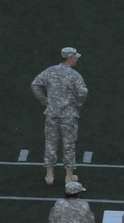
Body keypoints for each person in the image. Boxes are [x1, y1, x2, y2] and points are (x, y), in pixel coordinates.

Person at [31, 47, 89, 185]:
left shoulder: (50, 71)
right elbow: (83, 92)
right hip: (68, 115)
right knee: (68, 144)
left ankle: (49, 174)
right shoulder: (74, 75)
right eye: (75, 58)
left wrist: (45, 101)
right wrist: (79, 106)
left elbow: (35, 85)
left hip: (51, 113)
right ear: (69, 58)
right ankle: (69, 175)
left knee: (51, 143)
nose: (77, 60)